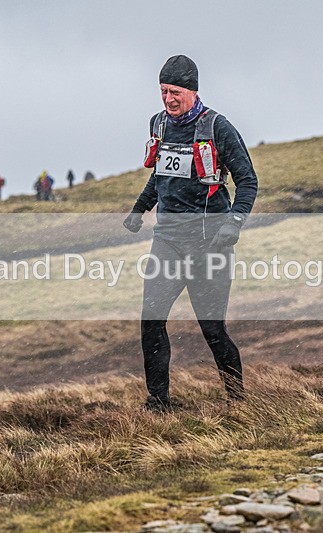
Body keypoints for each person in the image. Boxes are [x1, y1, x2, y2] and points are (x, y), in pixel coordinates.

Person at [123, 55, 258, 412]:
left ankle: (237, 401)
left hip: (209, 243)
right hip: (167, 241)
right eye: (164, 91)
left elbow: (247, 181)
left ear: (193, 91)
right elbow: (161, 177)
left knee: (212, 329)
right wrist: (140, 209)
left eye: (176, 92)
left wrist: (234, 223)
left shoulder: (218, 127)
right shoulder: (159, 124)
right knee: (151, 320)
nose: (169, 99)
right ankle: (158, 401)